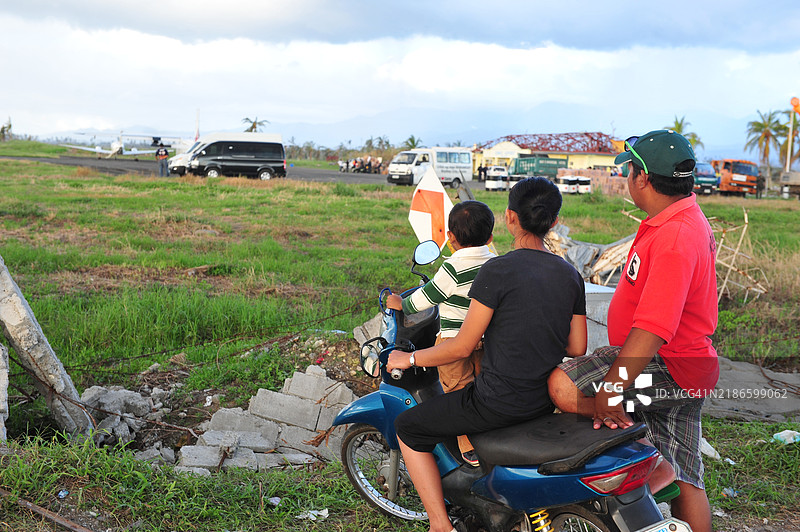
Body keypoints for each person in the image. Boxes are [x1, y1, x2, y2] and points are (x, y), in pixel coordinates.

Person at [388, 177, 588, 532]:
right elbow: (577, 348)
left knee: (407, 427)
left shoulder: (497, 271)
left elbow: (463, 346)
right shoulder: (570, 274)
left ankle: (439, 524)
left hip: (495, 403)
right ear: (554, 221)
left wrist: (411, 359)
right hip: (542, 400)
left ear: (510, 217)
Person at [548, 130, 719, 532]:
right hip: (690, 366)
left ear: (643, 178)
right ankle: (646, 450)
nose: (627, 178)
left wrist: (610, 390)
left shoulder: (675, 237)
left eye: (629, 171)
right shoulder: (679, 218)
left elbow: (653, 329)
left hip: (665, 363)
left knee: (562, 385)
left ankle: (625, 430)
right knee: (685, 475)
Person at [386, 200, 496, 464]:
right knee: (482, 387)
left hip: (453, 341)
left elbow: (426, 298)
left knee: (458, 390)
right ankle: (491, 436)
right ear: (491, 237)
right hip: (487, 338)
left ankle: (468, 446)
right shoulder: (495, 262)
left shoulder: (452, 268)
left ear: (450, 237)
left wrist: (401, 303)